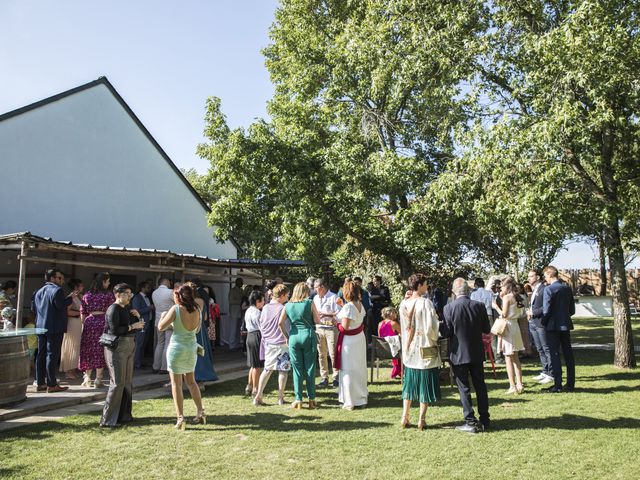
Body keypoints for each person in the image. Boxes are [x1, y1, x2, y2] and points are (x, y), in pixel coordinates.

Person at [441, 277, 491, 434]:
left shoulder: (449, 308)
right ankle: (484, 419)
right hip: (476, 351)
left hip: (458, 353)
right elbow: (486, 328)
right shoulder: (479, 306)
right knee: (480, 385)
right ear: (468, 291)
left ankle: (470, 420)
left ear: (454, 292)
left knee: (464, 388)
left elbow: (446, 332)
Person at [158, 284, 206, 429]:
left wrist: (162, 317)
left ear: (178, 296)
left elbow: (161, 327)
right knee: (191, 382)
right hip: (191, 348)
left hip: (177, 348)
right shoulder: (197, 309)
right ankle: (200, 412)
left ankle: (180, 418)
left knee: (176, 384)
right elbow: (196, 329)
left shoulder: (176, 309)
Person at [99, 283, 145, 428]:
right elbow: (114, 330)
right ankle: (107, 420)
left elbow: (140, 326)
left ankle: (124, 416)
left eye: (130, 293)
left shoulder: (128, 309)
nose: (130, 296)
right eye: (127, 293)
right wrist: (133, 326)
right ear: (118, 295)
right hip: (117, 347)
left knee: (126, 383)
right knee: (117, 383)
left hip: (129, 345)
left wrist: (138, 317)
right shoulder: (113, 309)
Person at [398, 274, 440, 428]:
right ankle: (421, 419)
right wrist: (436, 334)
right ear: (420, 285)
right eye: (426, 284)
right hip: (424, 346)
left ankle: (405, 416)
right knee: (425, 385)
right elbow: (431, 327)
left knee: (409, 383)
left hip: (410, 349)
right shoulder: (425, 303)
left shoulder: (403, 304)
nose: (427, 287)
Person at [280, 282, 320, 409]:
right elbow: (317, 321)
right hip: (308, 336)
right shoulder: (309, 303)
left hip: (294, 337)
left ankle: (298, 399)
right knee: (310, 368)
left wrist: (287, 336)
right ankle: (312, 399)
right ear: (306, 292)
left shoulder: (287, 305)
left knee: (297, 370)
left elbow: (280, 323)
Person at [32, 268, 73, 393]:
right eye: (60, 278)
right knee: (52, 355)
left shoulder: (38, 291)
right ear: (53, 278)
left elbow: (34, 309)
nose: (62, 280)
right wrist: (69, 299)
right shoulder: (57, 290)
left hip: (40, 326)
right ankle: (51, 384)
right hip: (54, 327)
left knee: (41, 354)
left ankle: (40, 382)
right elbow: (60, 305)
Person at [253, 283, 290, 406]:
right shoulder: (283, 308)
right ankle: (280, 397)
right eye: (287, 295)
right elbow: (285, 325)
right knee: (283, 370)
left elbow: (261, 324)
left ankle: (258, 395)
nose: (287, 298)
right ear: (282, 295)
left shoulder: (266, 308)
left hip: (269, 342)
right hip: (282, 342)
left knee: (267, 369)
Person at [542, 265, 576, 393]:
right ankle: (571, 383)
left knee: (554, 354)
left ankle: (557, 384)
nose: (545, 279)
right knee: (568, 354)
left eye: (545, 276)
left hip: (552, 326)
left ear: (550, 274)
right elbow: (572, 310)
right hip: (565, 324)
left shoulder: (549, 289)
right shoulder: (567, 289)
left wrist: (543, 322)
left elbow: (546, 310)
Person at [80, 272, 114, 388]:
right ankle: (98, 380)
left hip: (89, 323)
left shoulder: (87, 295)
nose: (108, 283)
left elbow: (82, 314)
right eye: (108, 281)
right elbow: (112, 310)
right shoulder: (108, 295)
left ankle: (87, 378)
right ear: (103, 282)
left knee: (88, 350)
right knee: (100, 350)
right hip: (102, 322)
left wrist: (85, 324)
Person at [492, 276, 525, 394]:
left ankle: (512, 385)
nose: (500, 289)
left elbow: (504, 314)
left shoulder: (507, 297)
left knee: (508, 357)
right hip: (515, 326)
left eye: (501, 286)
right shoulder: (516, 297)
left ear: (507, 286)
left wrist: (496, 307)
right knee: (515, 357)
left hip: (508, 327)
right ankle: (520, 383)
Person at [188, 282, 218, 389]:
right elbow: (205, 318)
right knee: (201, 353)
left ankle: (191, 378)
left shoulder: (186, 302)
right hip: (201, 331)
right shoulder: (201, 301)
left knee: (190, 354)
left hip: (189, 330)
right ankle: (201, 381)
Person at [313, 278, 341, 388]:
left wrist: (325, 314)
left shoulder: (334, 297)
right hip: (319, 328)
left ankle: (336, 377)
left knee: (333, 354)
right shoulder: (315, 298)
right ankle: (324, 377)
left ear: (322, 287)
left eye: (316, 288)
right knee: (321, 354)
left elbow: (339, 314)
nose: (315, 290)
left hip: (330, 328)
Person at [526, 270, 553, 384]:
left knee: (546, 348)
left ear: (537, 277)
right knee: (540, 348)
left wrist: (534, 312)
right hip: (533, 322)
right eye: (528, 276)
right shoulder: (534, 289)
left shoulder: (544, 288)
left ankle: (551, 373)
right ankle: (545, 370)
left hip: (541, 322)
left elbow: (546, 307)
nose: (529, 278)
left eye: (531, 276)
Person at [60, 278, 84, 379]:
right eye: (81, 285)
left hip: (79, 323)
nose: (83, 287)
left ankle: (73, 369)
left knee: (77, 346)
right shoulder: (71, 297)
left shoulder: (80, 296)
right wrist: (80, 313)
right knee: (72, 345)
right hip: (73, 322)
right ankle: (68, 370)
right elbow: (66, 311)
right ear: (76, 287)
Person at [244, 290, 265, 396]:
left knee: (252, 364)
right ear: (258, 301)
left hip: (249, 336)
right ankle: (255, 389)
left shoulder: (248, 310)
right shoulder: (258, 312)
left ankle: (249, 386)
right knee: (257, 365)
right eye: (263, 300)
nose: (264, 302)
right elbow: (262, 327)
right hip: (257, 335)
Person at [152, 278, 175, 374]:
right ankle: (164, 367)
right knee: (168, 344)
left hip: (158, 320)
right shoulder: (170, 292)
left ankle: (156, 366)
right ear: (166, 282)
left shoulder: (154, 293)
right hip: (169, 320)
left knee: (159, 343)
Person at [131, 281, 155, 369]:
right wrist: (150, 308)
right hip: (140, 324)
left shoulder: (147, 298)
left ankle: (140, 361)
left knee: (144, 344)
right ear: (142, 288)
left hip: (148, 323)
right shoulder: (137, 298)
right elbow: (136, 311)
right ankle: (136, 363)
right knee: (139, 344)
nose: (149, 289)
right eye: (148, 287)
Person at [378, 306, 402, 379]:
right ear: (390, 313)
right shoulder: (393, 323)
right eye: (394, 312)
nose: (396, 314)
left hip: (384, 349)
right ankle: (398, 371)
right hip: (394, 350)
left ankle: (399, 371)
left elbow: (380, 337)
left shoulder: (380, 324)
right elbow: (403, 334)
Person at [368, 275, 391, 339]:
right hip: (375, 310)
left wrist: (378, 298)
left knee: (384, 325)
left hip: (383, 310)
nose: (374, 283)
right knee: (375, 326)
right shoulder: (372, 289)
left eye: (375, 281)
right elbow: (371, 298)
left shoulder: (385, 289)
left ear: (379, 281)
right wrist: (380, 297)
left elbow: (388, 300)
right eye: (373, 281)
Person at [226, 278, 245, 350]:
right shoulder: (232, 291)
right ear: (237, 282)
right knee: (233, 329)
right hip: (234, 312)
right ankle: (231, 344)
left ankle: (236, 343)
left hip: (240, 312)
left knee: (238, 329)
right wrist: (240, 301)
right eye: (241, 282)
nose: (242, 283)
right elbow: (231, 301)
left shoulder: (241, 290)